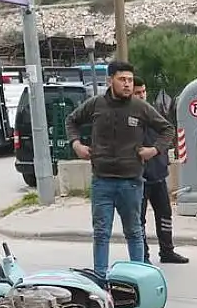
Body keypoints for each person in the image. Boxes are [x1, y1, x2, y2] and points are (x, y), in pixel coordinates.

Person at [66, 61, 175, 282]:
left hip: (131, 182)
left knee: (134, 231)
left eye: (130, 80)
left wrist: (154, 150)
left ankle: (139, 279)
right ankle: (100, 279)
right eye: (122, 79)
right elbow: (71, 121)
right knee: (101, 233)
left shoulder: (139, 107)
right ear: (110, 81)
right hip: (102, 181)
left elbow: (167, 129)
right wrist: (76, 144)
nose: (127, 84)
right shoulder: (96, 105)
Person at [133, 79, 188, 265]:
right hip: (138, 177)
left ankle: (167, 251)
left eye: (143, 91)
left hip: (158, 172)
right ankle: (143, 256)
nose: (142, 95)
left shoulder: (153, 112)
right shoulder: (128, 117)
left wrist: (158, 152)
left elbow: (167, 133)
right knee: (138, 220)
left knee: (165, 214)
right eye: (137, 92)